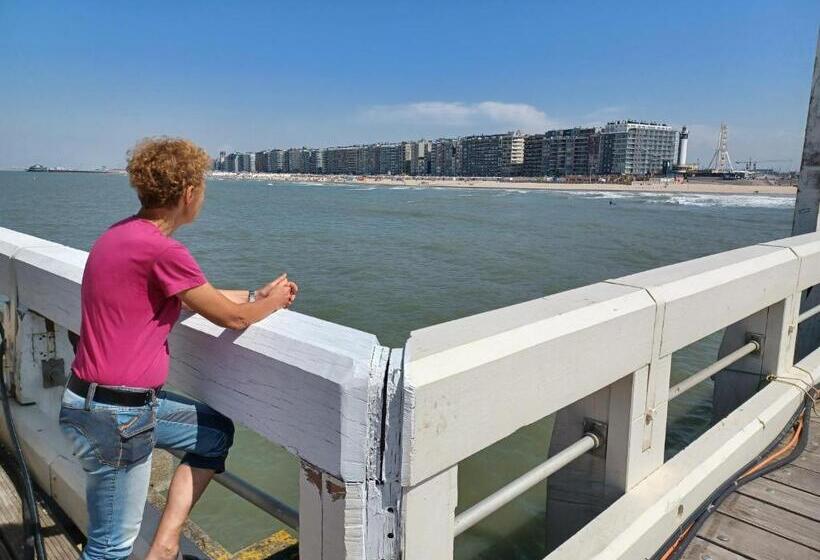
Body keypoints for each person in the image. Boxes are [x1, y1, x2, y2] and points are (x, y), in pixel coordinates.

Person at [58, 137, 298, 560]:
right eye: (202, 187)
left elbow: (191, 295)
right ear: (189, 194)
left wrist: (254, 293)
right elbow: (233, 319)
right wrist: (272, 303)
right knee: (109, 547)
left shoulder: (119, 236)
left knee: (214, 433)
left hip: (91, 402)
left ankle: (165, 545)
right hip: (119, 417)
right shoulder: (164, 251)